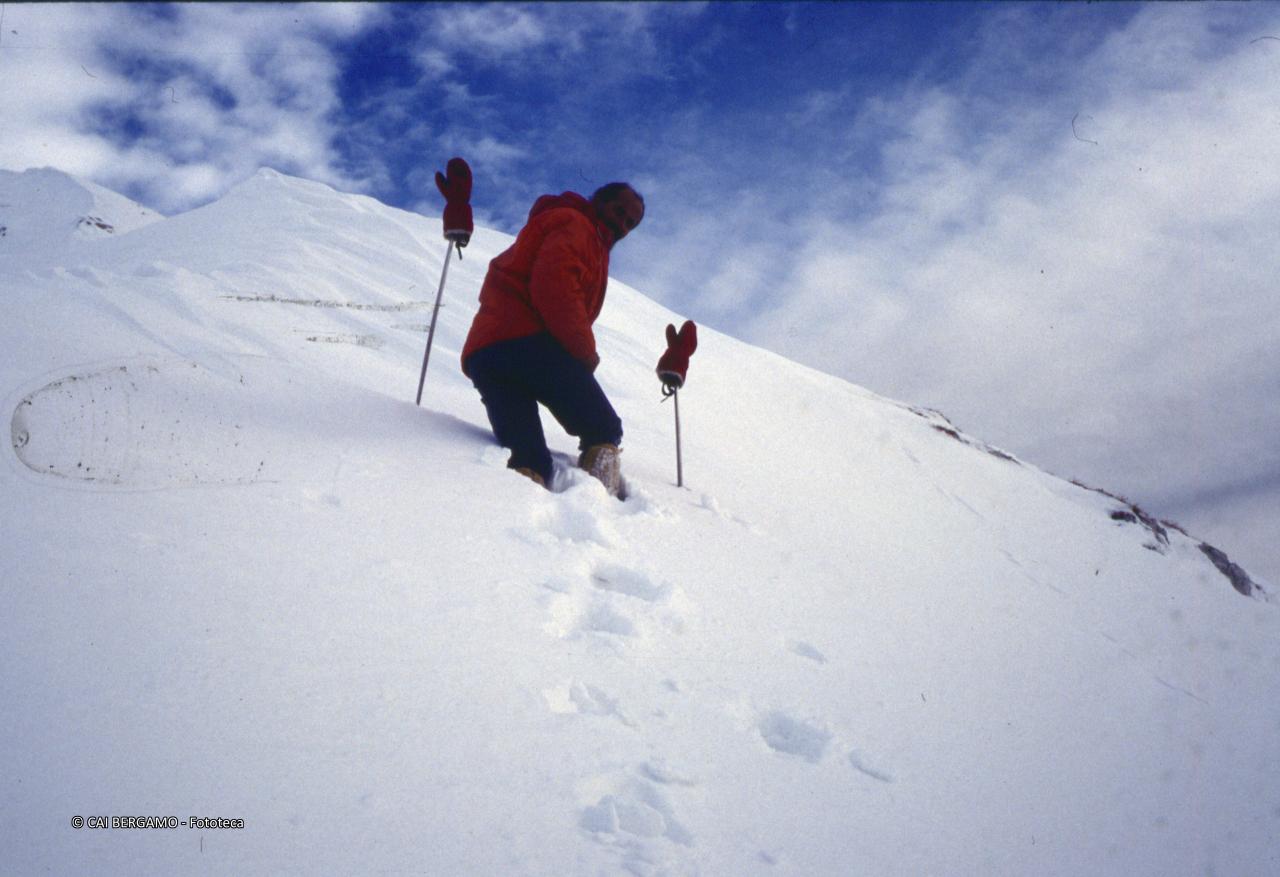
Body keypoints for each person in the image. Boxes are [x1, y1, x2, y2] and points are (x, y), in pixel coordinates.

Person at [460, 182, 645, 496]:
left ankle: (514, 507)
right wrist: (584, 354)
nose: (622, 225)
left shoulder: (567, 225)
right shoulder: (578, 226)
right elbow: (555, 289)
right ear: (600, 201)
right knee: (603, 427)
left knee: (528, 454)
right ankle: (602, 505)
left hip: (488, 354)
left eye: (630, 222)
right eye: (619, 211)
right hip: (530, 344)